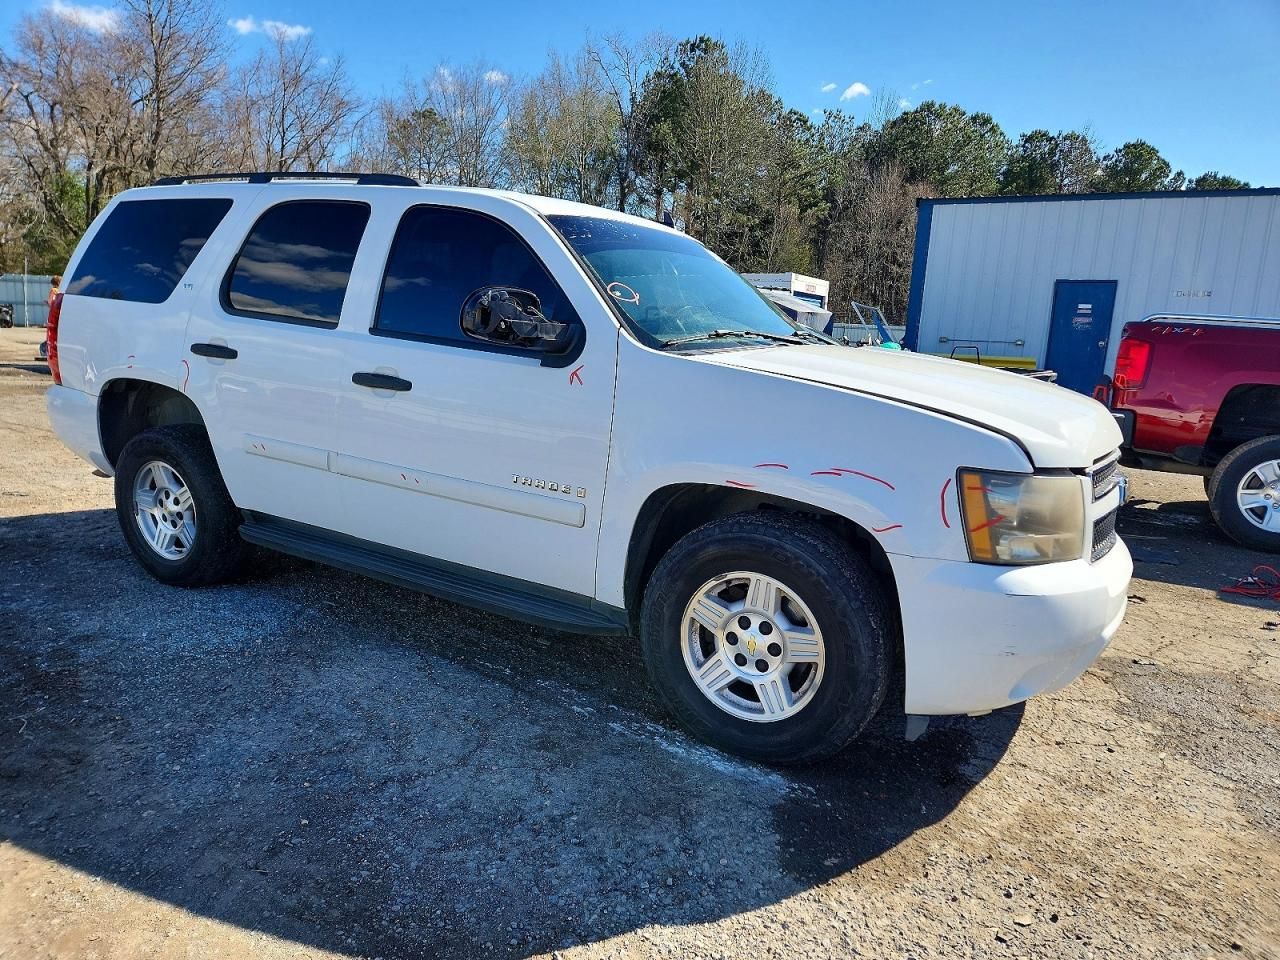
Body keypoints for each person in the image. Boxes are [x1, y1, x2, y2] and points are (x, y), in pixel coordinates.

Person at [38, 275, 61, 362]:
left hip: (54, 315)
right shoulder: (60, 291)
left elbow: (52, 303)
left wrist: (47, 303)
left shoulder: (53, 291)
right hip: (59, 315)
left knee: (52, 334)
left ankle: (45, 349)